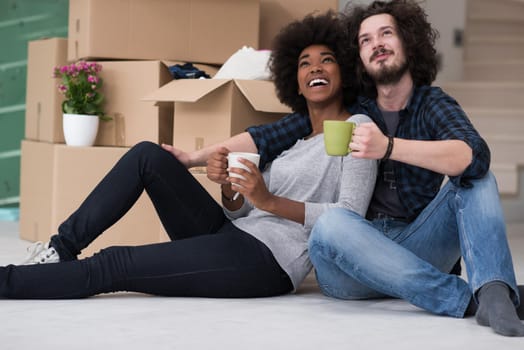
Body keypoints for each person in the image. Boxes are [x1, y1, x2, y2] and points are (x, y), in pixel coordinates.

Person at [1, 12, 377, 300]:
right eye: (304, 62)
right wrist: (231, 192)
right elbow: (247, 212)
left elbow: (350, 216)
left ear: (344, 70)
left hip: (267, 262)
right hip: (235, 233)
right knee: (148, 156)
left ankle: (7, 282)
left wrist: (268, 199)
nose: (314, 67)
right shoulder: (296, 140)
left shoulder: (359, 129)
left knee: (114, 263)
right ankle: (60, 249)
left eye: (326, 59)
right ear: (293, 80)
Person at [230, 0, 524, 338]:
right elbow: (271, 135)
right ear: (358, 56)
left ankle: (494, 291)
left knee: (479, 179)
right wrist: (197, 157)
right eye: (365, 40)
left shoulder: (432, 104)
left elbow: (474, 155)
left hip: (418, 241)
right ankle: (466, 298)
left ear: (408, 42)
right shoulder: (354, 109)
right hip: (350, 261)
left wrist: (388, 147)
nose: (377, 44)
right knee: (330, 224)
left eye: (386, 33)